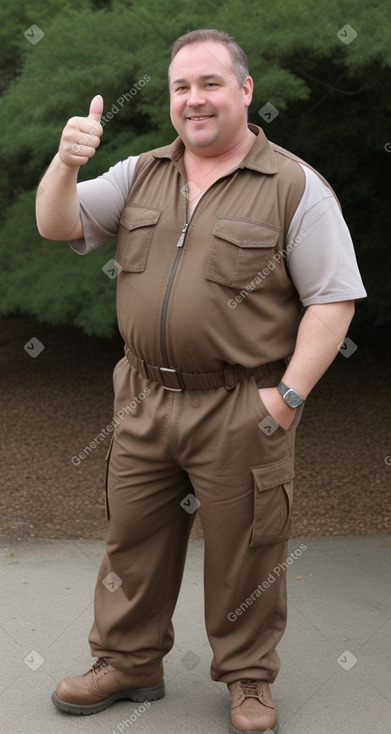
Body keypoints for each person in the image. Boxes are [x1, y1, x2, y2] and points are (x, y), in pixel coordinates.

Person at [36, 28, 366, 734]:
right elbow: (55, 223)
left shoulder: (294, 185)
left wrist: (288, 397)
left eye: (210, 83)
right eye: (181, 87)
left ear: (245, 91)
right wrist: (65, 165)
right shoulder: (140, 173)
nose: (194, 99)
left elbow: (332, 300)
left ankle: (247, 680)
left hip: (241, 403)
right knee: (132, 544)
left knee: (247, 549)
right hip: (144, 399)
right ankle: (127, 662)